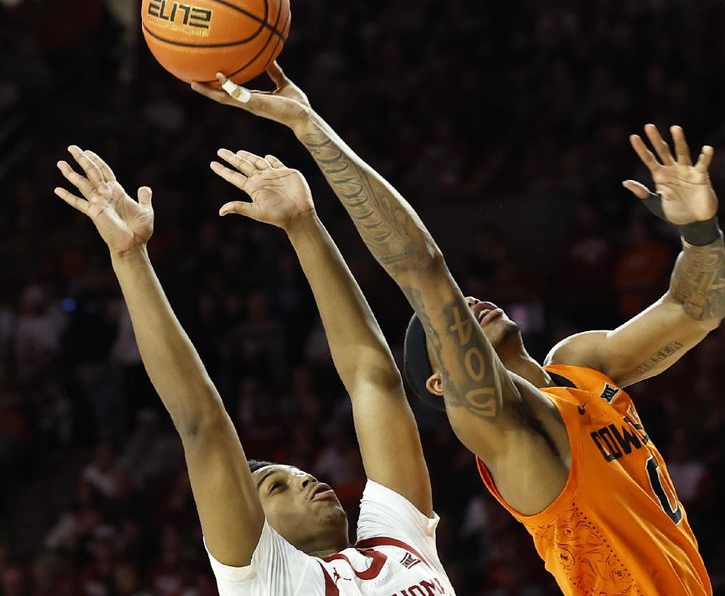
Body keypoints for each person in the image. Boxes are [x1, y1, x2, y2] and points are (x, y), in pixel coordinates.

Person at [194, 64, 725, 594]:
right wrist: (310, 127)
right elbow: (422, 269)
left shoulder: (581, 366)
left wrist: (700, 232)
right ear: (443, 380)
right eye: (446, 328)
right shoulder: (501, 425)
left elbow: (697, 310)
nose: (466, 305)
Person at [54, 146, 456, 595]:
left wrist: (304, 225)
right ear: (251, 525)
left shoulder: (398, 539)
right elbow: (202, 424)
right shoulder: (262, 580)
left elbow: (373, 379)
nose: (306, 479)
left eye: (295, 476)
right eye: (279, 488)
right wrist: (130, 258)